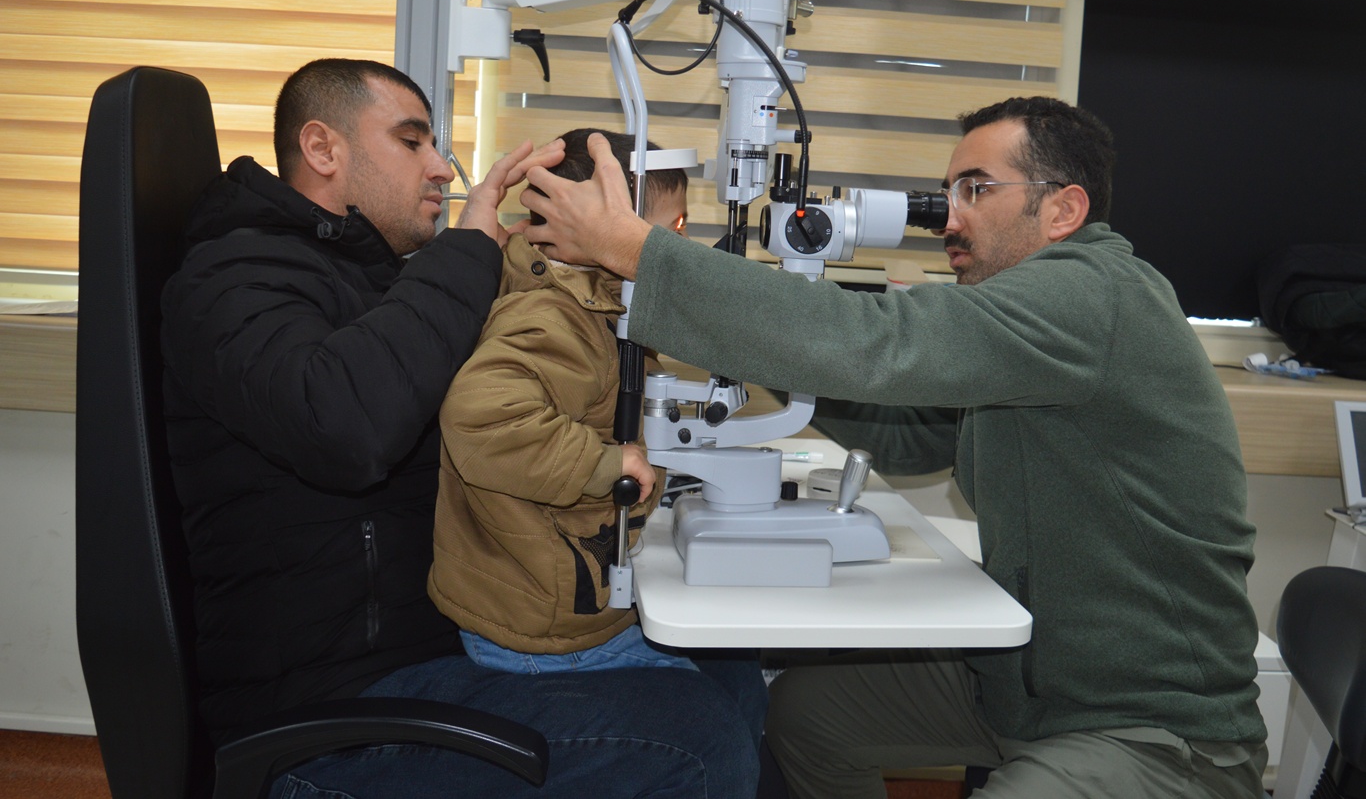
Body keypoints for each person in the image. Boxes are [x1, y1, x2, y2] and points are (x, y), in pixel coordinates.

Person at [519, 97, 1268, 799]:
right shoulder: (1023, 339)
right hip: (1024, 683)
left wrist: (636, 249)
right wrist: (755, 346)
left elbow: (881, 343)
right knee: (808, 714)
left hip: (1149, 724)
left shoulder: (1093, 296)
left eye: (977, 190)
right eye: (949, 192)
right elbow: (908, 433)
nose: (949, 218)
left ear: (1065, 208)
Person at [160, 59, 765, 798]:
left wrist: (545, 255)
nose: (439, 167)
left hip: (426, 646)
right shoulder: (230, 280)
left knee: (731, 674)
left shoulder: (373, 272)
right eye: (411, 142)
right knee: (699, 745)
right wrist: (472, 244)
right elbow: (351, 423)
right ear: (322, 150)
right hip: (329, 719)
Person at [428, 127, 694, 674]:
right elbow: (480, 417)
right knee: (713, 710)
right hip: (542, 631)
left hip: (558, 601)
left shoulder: (596, 306)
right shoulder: (557, 318)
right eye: (671, 232)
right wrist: (604, 464)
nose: (683, 252)